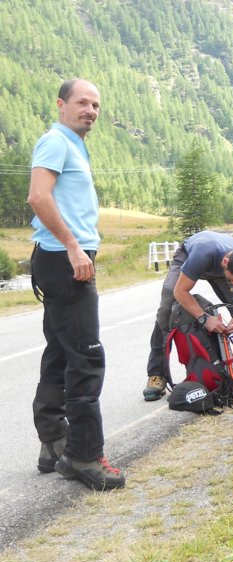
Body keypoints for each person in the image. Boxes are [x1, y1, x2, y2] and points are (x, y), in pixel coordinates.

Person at [27, 78, 125, 491]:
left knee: (60, 350)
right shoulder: (56, 141)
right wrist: (73, 248)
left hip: (59, 259)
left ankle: (54, 441)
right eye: (82, 102)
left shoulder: (72, 144)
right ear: (61, 104)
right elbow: (38, 197)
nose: (90, 111)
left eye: (96, 105)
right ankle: (84, 457)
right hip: (66, 260)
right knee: (86, 357)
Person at [142, 230, 233, 401]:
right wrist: (204, 318)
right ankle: (157, 374)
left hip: (222, 265)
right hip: (190, 256)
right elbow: (180, 291)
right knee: (166, 309)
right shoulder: (201, 254)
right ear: (225, 263)